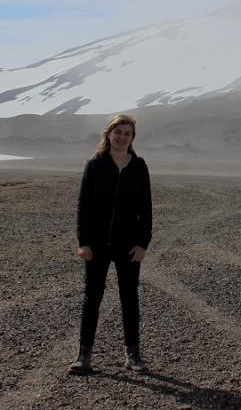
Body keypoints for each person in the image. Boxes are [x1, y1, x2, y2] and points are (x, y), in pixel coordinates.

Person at [68, 114, 153, 375]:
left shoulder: (139, 167)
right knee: (92, 298)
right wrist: (83, 242)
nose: (122, 137)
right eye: (118, 132)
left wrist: (142, 244)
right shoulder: (94, 165)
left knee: (130, 298)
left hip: (128, 245)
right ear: (108, 134)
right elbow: (83, 206)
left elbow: (146, 209)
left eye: (127, 133)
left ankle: (133, 355)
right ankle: (84, 355)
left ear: (132, 138)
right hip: (97, 244)